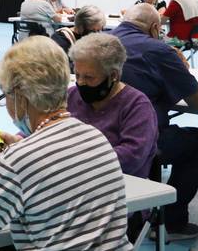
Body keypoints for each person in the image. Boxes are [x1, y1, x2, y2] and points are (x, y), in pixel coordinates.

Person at [0, 36, 132, 250]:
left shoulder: (21, 157)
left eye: (6, 95)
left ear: (20, 96)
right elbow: (51, 186)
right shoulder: (94, 137)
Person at [111, 3, 198, 240]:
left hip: (98, 138)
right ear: (155, 28)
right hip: (141, 141)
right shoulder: (158, 50)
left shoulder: (100, 42)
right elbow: (196, 102)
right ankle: (171, 223)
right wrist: (181, 70)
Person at [66, 33, 158, 178]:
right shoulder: (70, 95)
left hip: (119, 186)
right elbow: (44, 123)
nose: (81, 82)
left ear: (113, 75)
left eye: (89, 77)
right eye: (77, 75)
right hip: (75, 180)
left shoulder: (137, 106)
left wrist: (73, 158)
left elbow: (131, 157)